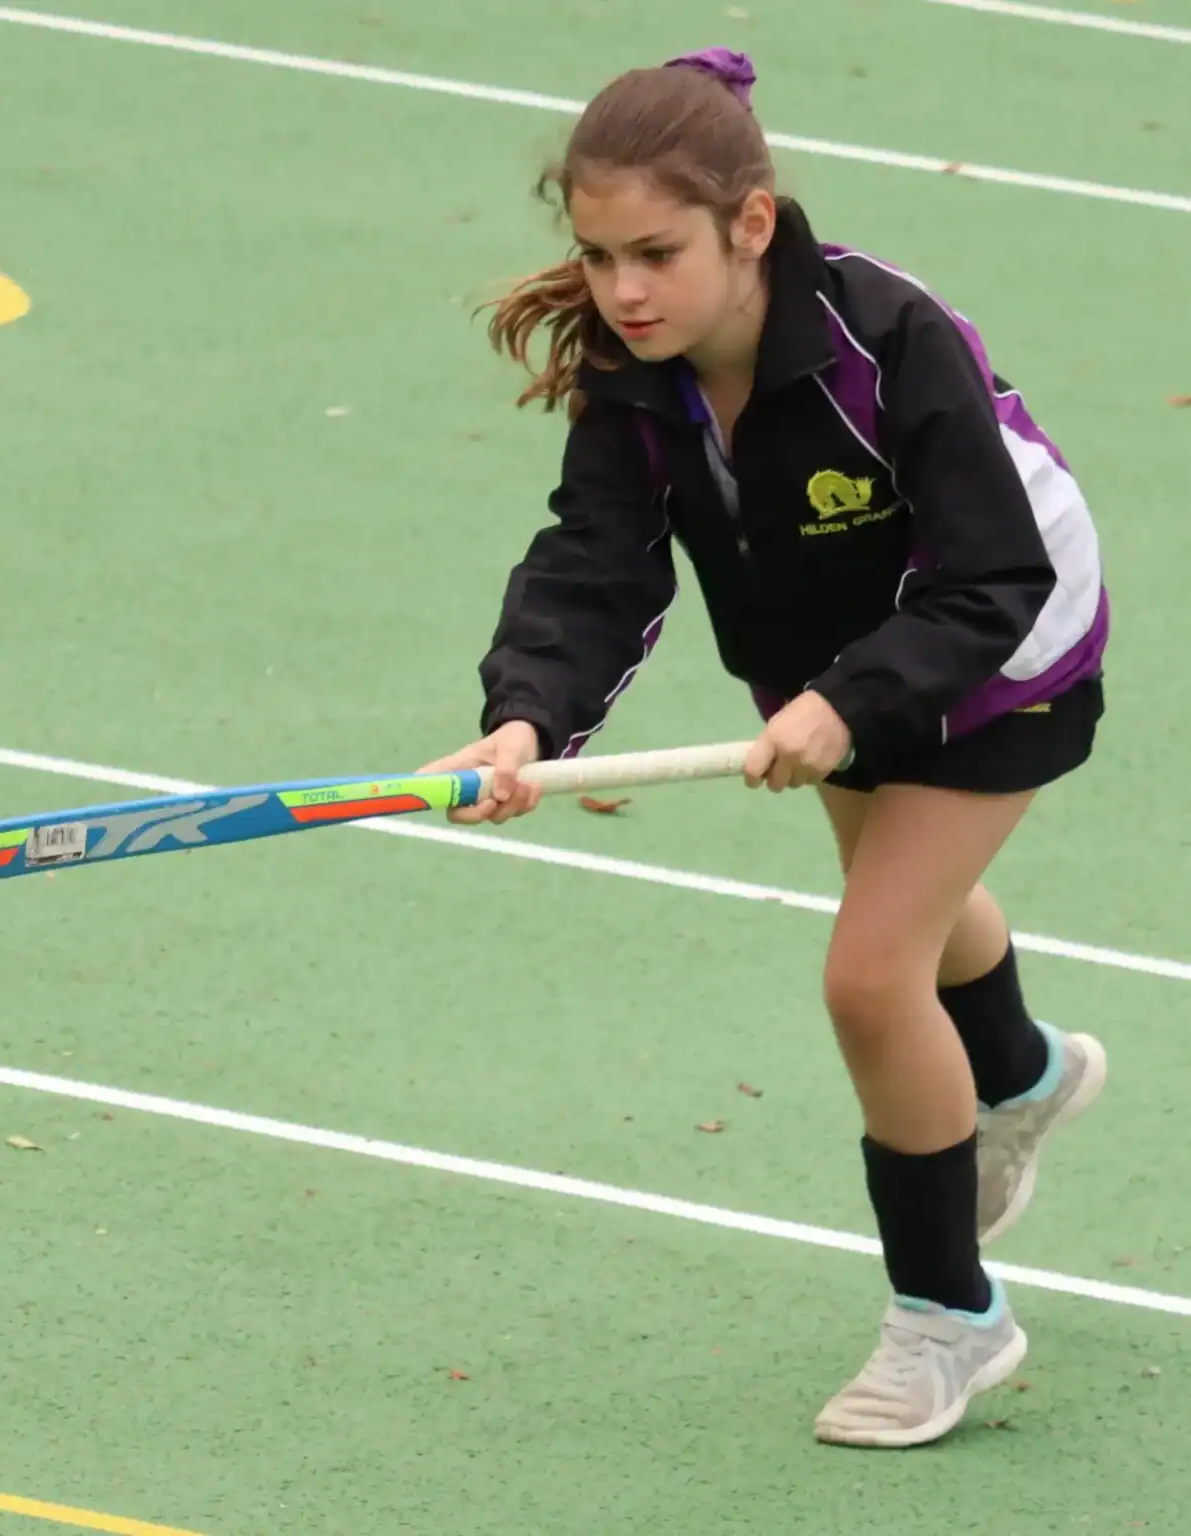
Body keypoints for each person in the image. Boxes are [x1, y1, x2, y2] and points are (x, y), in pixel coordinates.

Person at [417, 47, 1110, 1448]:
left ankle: (948, 1319)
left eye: (655, 254)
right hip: (823, 657)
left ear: (749, 223)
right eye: (598, 256)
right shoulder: (638, 371)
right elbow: (596, 563)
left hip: (1001, 642)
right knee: (907, 905)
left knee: (868, 975)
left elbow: (992, 574)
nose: (621, 292)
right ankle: (1023, 1075)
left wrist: (855, 702)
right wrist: (524, 717)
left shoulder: (889, 340)